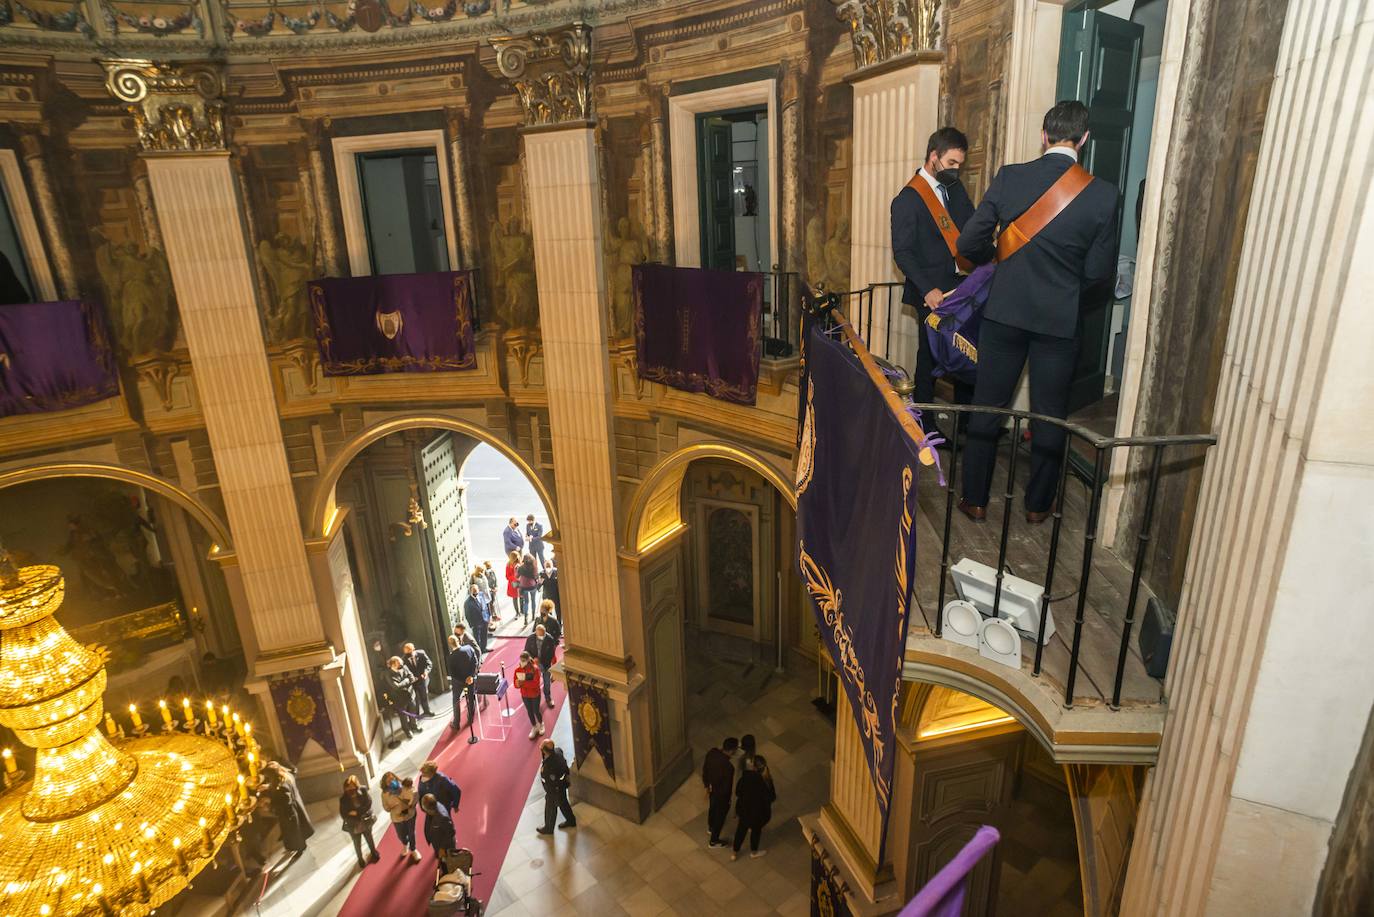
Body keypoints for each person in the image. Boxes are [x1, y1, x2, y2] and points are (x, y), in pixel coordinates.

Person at [955, 100, 1118, 524]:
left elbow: (968, 242)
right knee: (1049, 415)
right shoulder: (1103, 194)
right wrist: (1065, 290)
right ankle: (1038, 505)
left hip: (1005, 313)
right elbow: (1099, 273)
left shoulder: (1010, 177)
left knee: (987, 407)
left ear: (1044, 136)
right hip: (1058, 322)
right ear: (1084, 139)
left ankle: (974, 498)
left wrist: (997, 259)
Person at [891, 126, 978, 430]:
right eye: (952, 163)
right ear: (933, 156)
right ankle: (925, 422)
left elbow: (971, 227)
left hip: (962, 287)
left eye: (960, 165)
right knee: (929, 357)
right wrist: (927, 288)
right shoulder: (907, 199)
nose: (956, 171)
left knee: (968, 352)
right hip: (933, 292)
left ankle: (967, 423)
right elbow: (902, 253)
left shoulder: (954, 189)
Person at [731, 754, 777, 861]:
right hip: (758, 814)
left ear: (753, 767)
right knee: (756, 832)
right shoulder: (767, 781)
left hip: (744, 811)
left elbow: (738, 792)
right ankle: (753, 852)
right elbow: (772, 797)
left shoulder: (745, 778)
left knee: (740, 831)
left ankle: (734, 852)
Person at [262, 761, 314, 854]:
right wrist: (268, 787)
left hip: (289, 814)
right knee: (297, 829)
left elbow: (285, 802)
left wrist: (270, 805)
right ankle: (298, 846)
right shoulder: (287, 775)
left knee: (295, 833)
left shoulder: (282, 786)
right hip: (296, 806)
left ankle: (300, 848)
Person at [702, 737, 739, 849]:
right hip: (721, 795)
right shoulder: (728, 767)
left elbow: (705, 770)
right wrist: (727, 801)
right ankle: (713, 841)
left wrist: (707, 785)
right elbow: (727, 788)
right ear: (732, 751)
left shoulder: (712, 752)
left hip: (712, 789)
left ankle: (710, 827)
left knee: (712, 808)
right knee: (720, 817)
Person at [339, 774, 380, 869]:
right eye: (347, 787)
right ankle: (360, 859)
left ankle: (374, 853)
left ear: (356, 785)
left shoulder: (363, 790)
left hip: (365, 821)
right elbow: (343, 814)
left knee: (369, 838)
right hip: (353, 824)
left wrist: (356, 812)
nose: (350, 789)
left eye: (352, 787)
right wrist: (353, 816)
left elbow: (368, 803)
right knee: (357, 843)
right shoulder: (343, 798)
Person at [536, 740, 576, 835]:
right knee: (563, 803)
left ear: (545, 751)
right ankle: (571, 820)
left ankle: (548, 828)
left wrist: (549, 793)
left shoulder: (549, 767)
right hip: (561, 786)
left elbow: (551, 782)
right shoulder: (558, 752)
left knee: (550, 808)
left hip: (554, 789)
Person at [380, 771, 421, 863]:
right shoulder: (385, 794)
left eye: (392, 779)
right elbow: (385, 808)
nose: (392, 781)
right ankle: (405, 844)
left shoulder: (405, 785)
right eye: (388, 781)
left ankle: (413, 849)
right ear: (385, 784)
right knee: (401, 835)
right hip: (397, 817)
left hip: (409, 814)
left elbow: (414, 795)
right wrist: (392, 806)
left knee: (411, 832)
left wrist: (412, 800)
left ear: (396, 778)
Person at [447, 633, 478, 730]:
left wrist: (463, 680)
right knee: (471, 698)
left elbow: (452, 673)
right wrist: (471, 676)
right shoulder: (468, 648)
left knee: (456, 701)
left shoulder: (451, 657)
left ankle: (456, 723)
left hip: (458, 683)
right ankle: (471, 718)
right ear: (459, 640)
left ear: (450, 644)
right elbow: (475, 662)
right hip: (470, 679)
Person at [385, 656, 421, 738]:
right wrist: (406, 680)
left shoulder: (404, 667)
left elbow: (411, 676)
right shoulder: (388, 674)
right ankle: (407, 731)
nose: (401, 664)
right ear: (394, 664)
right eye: (399, 663)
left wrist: (406, 680)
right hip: (400, 699)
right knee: (403, 716)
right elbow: (396, 686)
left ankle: (414, 726)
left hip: (410, 695)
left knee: (412, 712)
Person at [524, 623, 558, 708]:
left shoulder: (549, 639)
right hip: (533, 665)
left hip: (546, 664)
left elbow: (551, 654)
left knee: (547, 682)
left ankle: (548, 697)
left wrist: (544, 662)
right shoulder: (530, 639)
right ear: (536, 633)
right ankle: (535, 699)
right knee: (534, 682)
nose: (542, 637)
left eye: (543, 635)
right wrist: (532, 659)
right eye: (539, 636)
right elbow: (526, 652)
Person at [514, 651, 543, 739]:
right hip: (525, 695)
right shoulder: (517, 670)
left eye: (523, 660)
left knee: (536, 711)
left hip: (535, 694)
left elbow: (535, 684)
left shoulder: (535, 669)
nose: (521, 662)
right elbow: (515, 684)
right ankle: (534, 726)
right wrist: (518, 684)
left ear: (527, 660)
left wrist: (523, 683)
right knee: (529, 711)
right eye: (520, 660)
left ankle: (541, 724)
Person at [402, 642, 434, 718]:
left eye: (410, 652)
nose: (409, 655)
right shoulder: (403, 660)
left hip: (422, 679)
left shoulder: (421, 653)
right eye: (407, 653)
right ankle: (417, 714)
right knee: (415, 699)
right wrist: (411, 678)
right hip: (413, 682)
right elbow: (404, 672)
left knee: (424, 696)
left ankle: (427, 711)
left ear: (413, 649)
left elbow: (429, 663)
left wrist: (426, 672)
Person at [463, 585, 488, 654]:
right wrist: (472, 625)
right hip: (476, 624)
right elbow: (467, 615)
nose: (476, 593)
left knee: (484, 636)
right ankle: (479, 653)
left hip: (484, 621)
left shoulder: (481, 596)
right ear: (470, 592)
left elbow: (485, 607)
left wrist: (488, 618)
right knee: (477, 640)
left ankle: (484, 648)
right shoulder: (467, 603)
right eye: (474, 591)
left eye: (476, 591)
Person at [517, 553, 540, 625]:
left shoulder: (520, 567)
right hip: (532, 586)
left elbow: (517, 576)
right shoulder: (534, 567)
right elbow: (536, 577)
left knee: (526, 602)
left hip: (524, 587)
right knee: (533, 600)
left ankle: (526, 618)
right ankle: (533, 616)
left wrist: (517, 569)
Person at [504, 550, 521, 620]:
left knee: (522, 596)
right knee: (515, 598)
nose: (517, 559)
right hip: (513, 583)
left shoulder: (520, 563)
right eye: (516, 557)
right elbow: (507, 576)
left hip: (520, 582)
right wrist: (515, 576)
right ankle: (517, 612)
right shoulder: (508, 565)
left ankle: (522, 611)